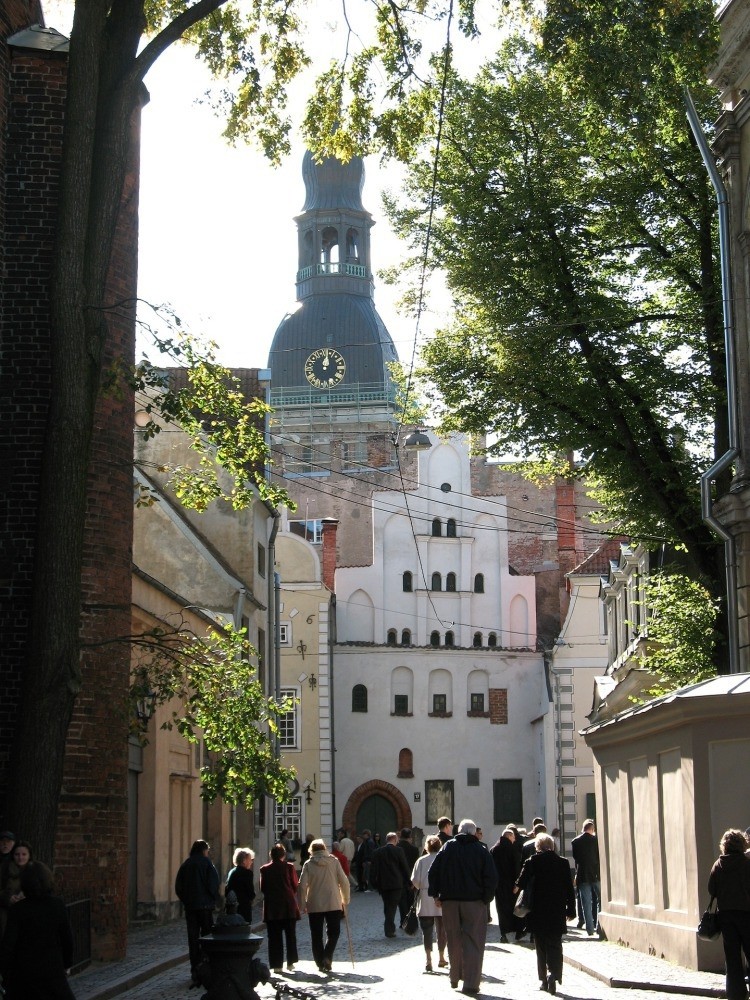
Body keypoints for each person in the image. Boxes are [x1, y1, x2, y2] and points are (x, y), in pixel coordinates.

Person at [428, 818, 497, 996]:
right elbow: (491, 877)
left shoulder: (448, 847)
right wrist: (486, 898)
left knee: (453, 938)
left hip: (450, 901)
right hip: (474, 901)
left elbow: (433, 871)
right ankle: (471, 984)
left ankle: (454, 977)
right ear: (474, 833)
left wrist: (436, 894)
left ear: (459, 831)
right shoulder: (481, 850)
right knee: (473, 941)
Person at [0, 861, 76, 999]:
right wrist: (67, 964)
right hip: (52, 970)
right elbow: (67, 938)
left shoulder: (18, 909)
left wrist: (4, 973)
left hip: (23, 972)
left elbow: (8, 944)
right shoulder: (57, 905)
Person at [516, 832, 576, 995]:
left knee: (541, 944)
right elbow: (569, 889)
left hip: (537, 910)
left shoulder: (532, 861)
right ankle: (554, 974)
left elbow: (520, 883)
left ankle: (543, 979)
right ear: (552, 846)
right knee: (555, 943)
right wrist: (571, 910)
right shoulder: (563, 863)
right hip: (556, 909)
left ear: (537, 847)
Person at [708, 828, 750, 1000]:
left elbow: (712, 889)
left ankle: (736, 994)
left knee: (732, 958)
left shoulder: (718, 865)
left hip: (726, 916)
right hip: (747, 914)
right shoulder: (747, 863)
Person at [298, 838, 350, 974]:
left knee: (316, 935)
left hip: (314, 903)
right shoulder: (334, 861)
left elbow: (302, 886)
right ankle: (327, 955)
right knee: (334, 932)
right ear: (324, 849)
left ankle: (320, 963)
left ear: (311, 851)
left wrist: (302, 904)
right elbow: (344, 881)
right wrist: (345, 899)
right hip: (333, 902)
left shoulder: (308, 864)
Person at [175, 839, 220, 986]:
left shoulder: (186, 864)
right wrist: (212, 898)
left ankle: (195, 969)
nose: (208, 852)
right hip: (205, 907)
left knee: (193, 939)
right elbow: (214, 883)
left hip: (191, 908)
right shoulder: (207, 863)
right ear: (203, 850)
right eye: (207, 850)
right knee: (207, 938)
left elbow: (179, 887)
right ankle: (206, 968)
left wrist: (187, 900)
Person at [259, 844, 300, 974]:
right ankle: (291, 962)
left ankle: (276, 964)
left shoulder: (264, 869)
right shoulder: (289, 867)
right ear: (283, 855)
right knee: (290, 935)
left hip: (272, 906)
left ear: (271, 855)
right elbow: (294, 885)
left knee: (274, 937)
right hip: (288, 905)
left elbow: (263, 888)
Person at [411, 835, 447, 972]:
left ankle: (428, 959)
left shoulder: (421, 860)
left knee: (426, 930)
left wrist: (422, 886)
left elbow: (414, 880)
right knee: (442, 929)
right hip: (440, 896)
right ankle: (442, 957)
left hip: (425, 896)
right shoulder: (443, 859)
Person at [370, 832, 410, 938]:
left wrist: (373, 883)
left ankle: (390, 928)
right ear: (395, 840)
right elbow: (404, 867)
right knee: (392, 906)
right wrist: (409, 881)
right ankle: (389, 929)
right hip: (396, 883)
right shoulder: (399, 850)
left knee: (388, 906)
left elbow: (373, 869)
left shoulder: (377, 852)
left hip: (383, 884)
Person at [490, 827, 520, 943]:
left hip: (499, 884)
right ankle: (517, 930)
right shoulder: (512, 849)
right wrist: (517, 883)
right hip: (512, 884)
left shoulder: (494, 849)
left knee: (501, 908)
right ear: (508, 836)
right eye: (513, 837)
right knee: (514, 906)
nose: (514, 839)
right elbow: (516, 868)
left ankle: (504, 933)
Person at [572, 819, 600, 936]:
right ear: (592, 829)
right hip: (596, 874)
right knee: (601, 900)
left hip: (582, 874)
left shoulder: (575, 841)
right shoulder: (596, 840)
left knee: (586, 903)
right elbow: (599, 857)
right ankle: (599, 926)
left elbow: (576, 859)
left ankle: (589, 929)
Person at [0, 840, 33, 941]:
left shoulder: (36, 870)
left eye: (24, 854)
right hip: (6, 913)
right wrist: (8, 897)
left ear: (29, 855)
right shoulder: (4, 869)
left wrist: (27, 894)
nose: (20, 857)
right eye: (17, 854)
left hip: (29, 912)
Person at [225, 847, 256, 924]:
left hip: (232, 906)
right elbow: (250, 891)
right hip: (243, 906)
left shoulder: (232, 871)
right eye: (250, 859)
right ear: (244, 861)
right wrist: (252, 897)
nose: (251, 862)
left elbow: (227, 889)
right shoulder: (247, 873)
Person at [397, 829, 420, 925]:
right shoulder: (414, 849)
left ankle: (403, 920)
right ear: (410, 837)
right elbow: (416, 865)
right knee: (410, 901)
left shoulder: (396, 848)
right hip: (411, 878)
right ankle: (410, 920)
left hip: (398, 878)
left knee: (401, 902)